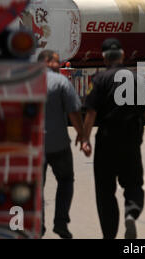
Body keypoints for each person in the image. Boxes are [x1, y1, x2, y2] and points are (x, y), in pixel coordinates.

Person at [82, 38, 145, 239]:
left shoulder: (99, 80)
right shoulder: (137, 78)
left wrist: (85, 139)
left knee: (105, 192)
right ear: (123, 55)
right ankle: (131, 214)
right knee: (134, 185)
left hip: (106, 140)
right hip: (131, 139)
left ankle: (109, 235)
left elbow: (90, 113)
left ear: (103, 57)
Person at [38, 49, 85, 239]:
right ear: (46, 62)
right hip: (58, 144)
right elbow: (74, 111)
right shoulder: (61, 82)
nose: (59, 65)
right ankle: (60, 222)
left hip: (34, 147)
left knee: (35, 187)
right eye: (55, 61)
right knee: (65, 180)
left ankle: (37, 224)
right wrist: (82, 134)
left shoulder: (26, 82)